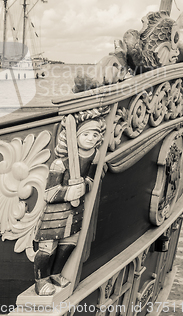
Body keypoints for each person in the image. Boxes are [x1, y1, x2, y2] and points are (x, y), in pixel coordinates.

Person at [34, 116, 106, 296]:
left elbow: (91, 180)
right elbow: (49, 193)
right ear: (75, 137)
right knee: (48, 249)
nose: (91, 138)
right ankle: (41, 280)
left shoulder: (94, 157)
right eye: (86, 134)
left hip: (75, 211)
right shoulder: (60, 163)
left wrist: (84, 186)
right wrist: (68, 192)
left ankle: (56, 273)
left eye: (95, 135)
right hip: (55, 214)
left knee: (68, 245)